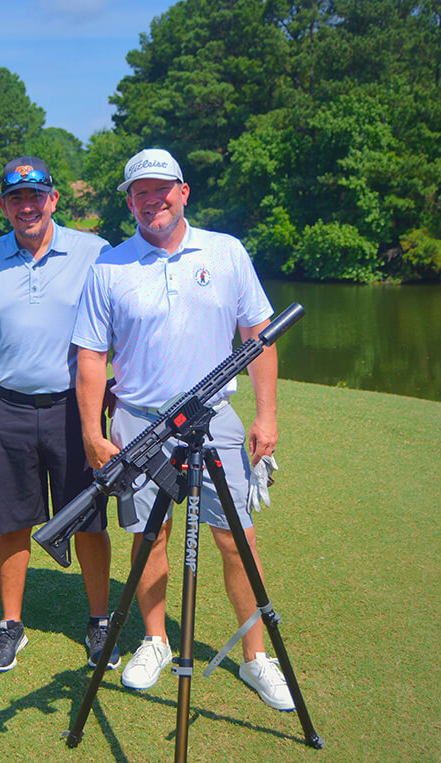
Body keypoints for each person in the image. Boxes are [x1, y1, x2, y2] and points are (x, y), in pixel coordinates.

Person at [72, 148, 295, 710]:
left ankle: (256, 658)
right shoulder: (109, 266)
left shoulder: (226, 252)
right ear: (129, 202)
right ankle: (154, 640)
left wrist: (266, 416)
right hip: (138, 422)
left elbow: (258, 338)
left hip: (215, 421)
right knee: (151, 540)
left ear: (184, 191)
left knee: (235, 540)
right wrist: (92, 434)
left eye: (162, 189)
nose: (153, 200)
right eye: (140, 193)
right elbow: (91, 358)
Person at [0, 156, 116, 673]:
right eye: (15, 198)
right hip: (10, 408)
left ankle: (98, 620)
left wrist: (117, 388)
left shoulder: (94, 251)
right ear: (4, 205)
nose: (27, 206)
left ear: (53, 199)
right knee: (13, 521)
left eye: (36, 195)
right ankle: (10, 626)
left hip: (76, 410)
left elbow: (122, 324)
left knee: (88, 519)